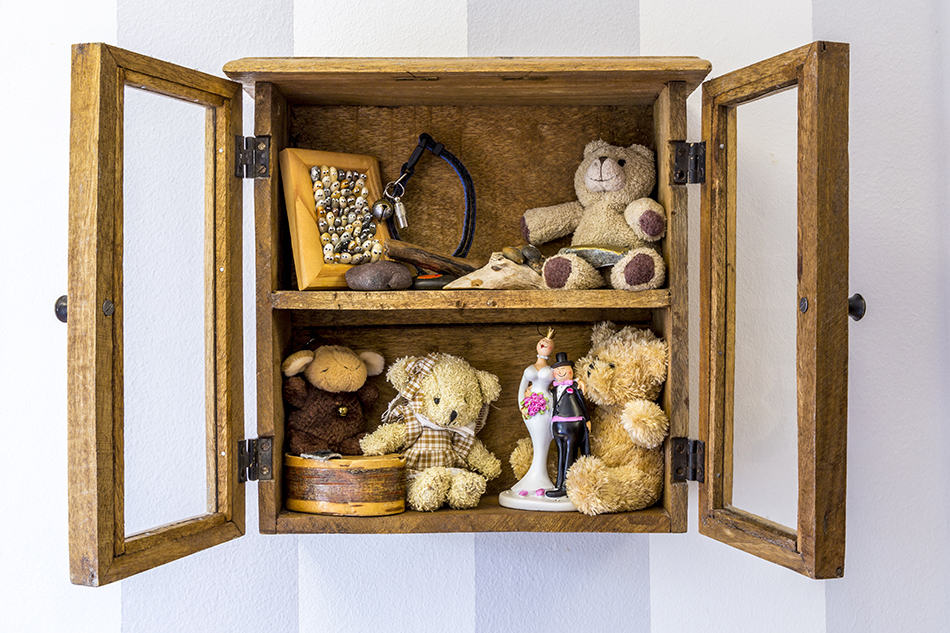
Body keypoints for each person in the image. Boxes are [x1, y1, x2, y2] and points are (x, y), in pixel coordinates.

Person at [546, 352, 591, 498]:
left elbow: (583, 405)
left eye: (564, 368)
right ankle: (559, 484)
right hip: (558, 425)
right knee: (561, 454)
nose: (560, 371)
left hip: (573, 424)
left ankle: (567, 485)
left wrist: (588, 420)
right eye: (557, 369)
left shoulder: (575, 386)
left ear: (571, 371)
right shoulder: (553, 390)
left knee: (570, 454)